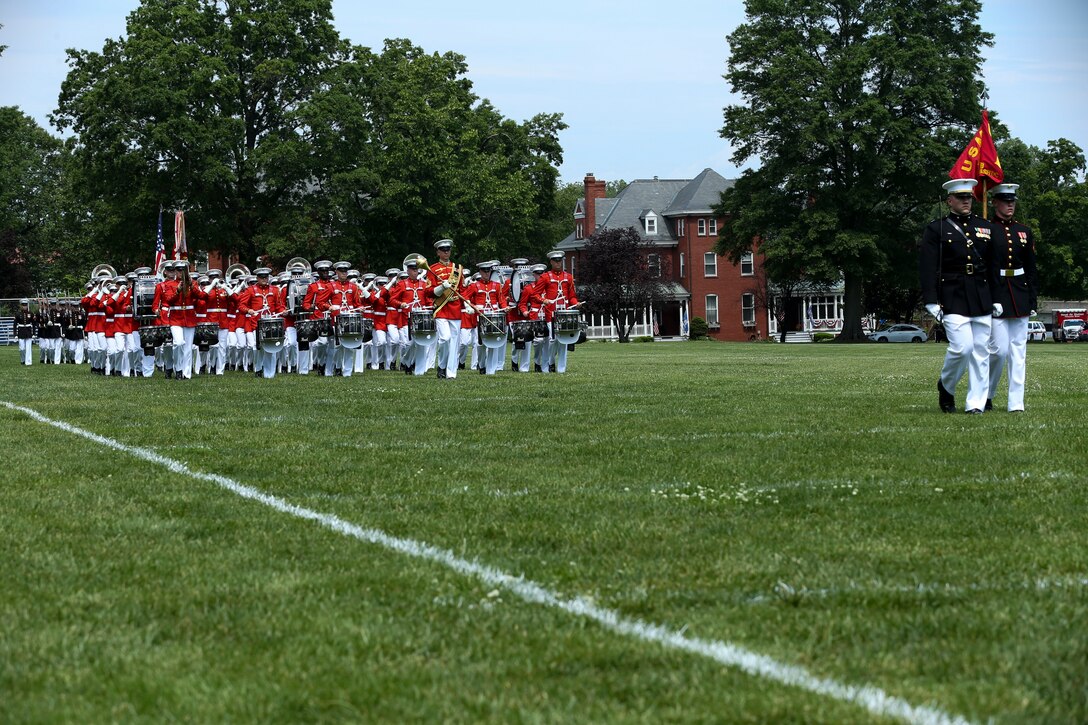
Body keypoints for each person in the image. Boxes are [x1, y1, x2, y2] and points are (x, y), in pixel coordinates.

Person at [919, 178, 999, 413]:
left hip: (981, 294)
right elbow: (927, 267)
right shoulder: (937, 228)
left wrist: (996, 297)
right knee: (962, 348)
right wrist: (931, 300)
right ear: (950, 200)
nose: (966, 201)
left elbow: (993, 266)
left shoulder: (985, 227)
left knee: (981, 353)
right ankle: (947, 386)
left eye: (969, 198)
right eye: (961, 198)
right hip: (952, 294)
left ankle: (975, 404)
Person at [986, 183, 1038, 412]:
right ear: (995, 203)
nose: (1010, 206)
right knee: (999, 351)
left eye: (1012, 202)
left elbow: (1031, 268)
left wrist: (1033, 299)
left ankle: (1016, 403)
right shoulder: (986, 229)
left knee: (1019, 351)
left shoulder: (1024, 231)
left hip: (1020, 292)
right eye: (1006, 202)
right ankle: (987, 393)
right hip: (996, 291)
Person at [531, 250, 580, 373]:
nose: (558, 263)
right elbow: (535, 294)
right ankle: (550, 363)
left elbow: (572, 296)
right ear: (551, 262)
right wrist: (544, 300)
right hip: (551, 313)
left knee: (563, 340)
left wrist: (575, 303)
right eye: (556, 261)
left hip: (565, 312)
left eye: (560, 261)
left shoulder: (568, 277)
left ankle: (561, 368)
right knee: (552, 340)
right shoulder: (545, 277)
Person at [424, 239, 465, 379]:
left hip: (455, 308)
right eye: (443, 250)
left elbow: (462, 289)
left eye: (448, 250)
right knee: (445, 338)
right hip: (441, 308)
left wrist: (468, 306)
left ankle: (451, 373)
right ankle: (441, 366)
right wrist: (441, 287)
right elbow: (428, 291)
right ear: (438, 252)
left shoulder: (458, 269)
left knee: (455, 342)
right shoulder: (432, 269)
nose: (446, 252)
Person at [14, 299, 35, 365]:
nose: (24, 306)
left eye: (25, 305)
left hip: (28, 332)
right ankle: (23, 360)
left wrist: (34, 333)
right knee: (21, 348)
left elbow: (33, 324)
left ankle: (28, 362)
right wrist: (15, 334)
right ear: (21, 306)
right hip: (21, 332)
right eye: (23, 305)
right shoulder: (18, 314)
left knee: (28, 348)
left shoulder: (30, 313)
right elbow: (15, 325)